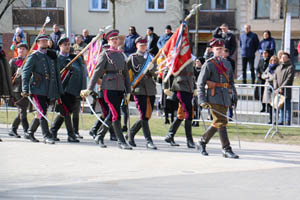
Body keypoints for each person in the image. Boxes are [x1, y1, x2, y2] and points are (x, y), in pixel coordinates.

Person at [81, 30, 132, 150]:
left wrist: (129, 91)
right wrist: (89, 88)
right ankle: (121, 141)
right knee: (115, 114)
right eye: (112, 39)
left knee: (111, 114)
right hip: (108, 87)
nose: (115, 41)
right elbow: (96, 72)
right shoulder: (105, 54)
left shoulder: (120, 55)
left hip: (120, 88)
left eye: (116, 39)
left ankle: (99, 135)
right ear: (108, 41)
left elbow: (125, 73)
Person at [197, 38, 239, 159]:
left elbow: (231, 82)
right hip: (213, 96)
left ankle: (202, 142)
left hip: (225, 96)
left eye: (222, 49)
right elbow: (200, 83)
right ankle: (226, 149)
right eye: (218, 49)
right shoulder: (208, 64)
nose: (220, 51)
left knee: (218, 122)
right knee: (221, 122)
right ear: (212, 50)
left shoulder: (227, 63)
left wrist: (234, 95)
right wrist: (202, 99)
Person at [22, 34, 63, 144]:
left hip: (49, 88)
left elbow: (56, 74)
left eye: (46, 41)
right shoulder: (34, 56)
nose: (45, 42)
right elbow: (25, 73)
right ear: (38, 43)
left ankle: (30, 132)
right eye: (42, 41)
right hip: (37, 88)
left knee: (42, 112)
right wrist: (25, 88)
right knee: (42, 111)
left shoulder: (51, 56)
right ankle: (46, 135)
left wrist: (59, 89)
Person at [50, 37, 87, 143]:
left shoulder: (75, 58)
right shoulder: (56, 59)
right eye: (64, 45)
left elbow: (82, 75)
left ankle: (53, 131)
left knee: (66, 112)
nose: (67, 46)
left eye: (68, 44)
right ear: (60, 46)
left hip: (74, 91)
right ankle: (71, 135)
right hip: (62, 90)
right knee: (65, 112)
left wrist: (83, 90)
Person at [126, 36, 157, 149]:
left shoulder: (151, 57)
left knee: (147, 116)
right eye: (141, 45)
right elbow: (126, 73)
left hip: (150, 89)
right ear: (137, 45)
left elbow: (156, 74)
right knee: (143, 114)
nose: (143, 47)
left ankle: (130, 134)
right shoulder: (132, 58)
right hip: (138, 89)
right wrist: (126, 87)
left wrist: (152, 69)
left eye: (145, 45)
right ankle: (149, 141)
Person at [163, 59, 196, 149]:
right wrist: (166, 87)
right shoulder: (176, 56)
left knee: (181, 114)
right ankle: (189, 140)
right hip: (180, 87)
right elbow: (166, 71)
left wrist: (195, 87)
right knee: (189, 113)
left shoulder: (189, 58)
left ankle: (170, 135)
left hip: (189, 88)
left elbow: (192, 75)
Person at [8, 44, 31, 139]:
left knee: (22, 111)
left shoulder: (29, 61)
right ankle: (27, 131)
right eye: (19, 49)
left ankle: (13, 129)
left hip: (26, 89)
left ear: (26, 51)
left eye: (23, 49)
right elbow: (8, 77)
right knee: (22, 110)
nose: (21, 50)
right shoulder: (13, 61)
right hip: (16, 89)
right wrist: (16, 74)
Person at [273, 52, 295, 125]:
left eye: (285, 57)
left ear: (288, 58)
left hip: (286, 90)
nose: (283, 58)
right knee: (281, 106)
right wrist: (276, 88)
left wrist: (282, 87)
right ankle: (281, 120)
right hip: (278, 90)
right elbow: (275, 78)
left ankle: (288, 121)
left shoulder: (290, 67)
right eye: (282, 57)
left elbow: (289, 78)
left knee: (287, 106)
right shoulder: (278, 67)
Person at [262, 55, 279, 124]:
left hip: (274, 87)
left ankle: (276, 120)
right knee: (270, 105)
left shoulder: (278, 67)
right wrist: (267, 76)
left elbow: (275, 77)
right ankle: (271, 119)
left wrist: (270, 77)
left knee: (275, 105)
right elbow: (263, 75)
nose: (273, 62)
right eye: (271, 60)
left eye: (274, 60)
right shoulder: (268, 67)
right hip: (268, 88)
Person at [222, 47, 236, 120]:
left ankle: (230, 115)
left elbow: (231, 71)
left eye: (226, 52)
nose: (224, 53)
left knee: (230, 99)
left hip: (228, 82)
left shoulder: (231, 61)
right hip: (221, 83)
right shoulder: (219, 60)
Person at [192, 57, 205, 127]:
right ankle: (194, 120)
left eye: (198, 61)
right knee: (193, 106)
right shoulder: (193, 69)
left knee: (198, 106)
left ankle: (197, 121)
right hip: (193, 89)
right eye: (196, 61)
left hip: (200, 90)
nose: (197, 62)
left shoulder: (203, 69)